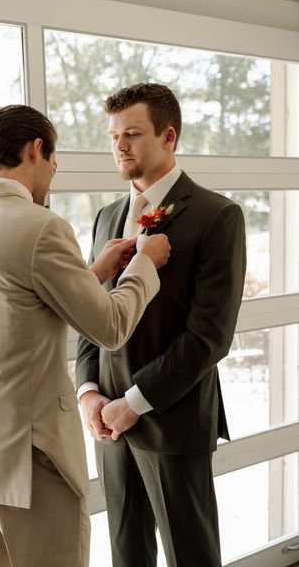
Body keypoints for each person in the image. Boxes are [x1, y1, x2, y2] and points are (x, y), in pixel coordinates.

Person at [0, 104, 171, 567]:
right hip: (32, 457)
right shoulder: (41, 227)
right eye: (54, 167)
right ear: (37, 149)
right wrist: (145, 262)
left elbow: (16, 301)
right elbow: (111, 328)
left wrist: (96, 271)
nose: (51, 181)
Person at [76, 83, 247, 567]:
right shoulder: (107, 217)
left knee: (190, 555)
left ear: (169, 136)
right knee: (126, 554)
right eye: (113, 136)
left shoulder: (218, 216)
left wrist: (134, 403)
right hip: (108, 422)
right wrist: (89, 391)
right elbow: (91, 312)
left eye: (132, 133)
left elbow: (209, 336)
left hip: (172, 420)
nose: (120, 146)